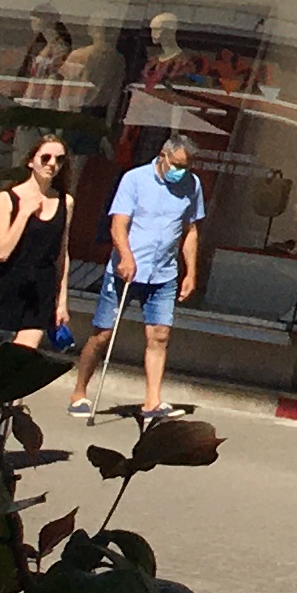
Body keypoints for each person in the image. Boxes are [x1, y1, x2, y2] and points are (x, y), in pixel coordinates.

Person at [67, 132, 204, 424]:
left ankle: (152, 401)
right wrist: (126, 256)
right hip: (126, 269)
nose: (181, 171)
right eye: (177, 164)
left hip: (164, 272)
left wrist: (191, 271)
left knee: (160, 335)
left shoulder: (192, 185)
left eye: (187, 166)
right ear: (163, 156)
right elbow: (119, 223)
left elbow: (190, 230)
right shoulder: (134, 179)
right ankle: (79, 391)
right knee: (103, 333)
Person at [0, 139, 72, 359]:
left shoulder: (65, 202)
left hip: (40, 291)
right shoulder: (6, 199)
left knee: (20, 360)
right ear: (30, 161)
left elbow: (62, 254)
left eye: (59, 159)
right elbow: (1, 252)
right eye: (45, 158)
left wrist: (61, 302)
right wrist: (24, 213)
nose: (52, 164)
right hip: (8, 284)